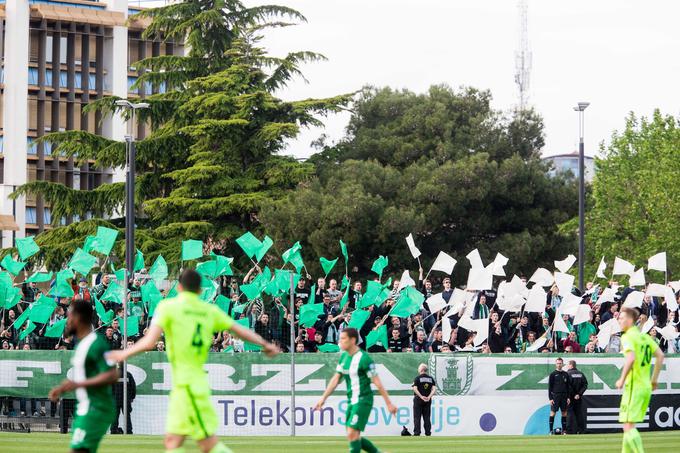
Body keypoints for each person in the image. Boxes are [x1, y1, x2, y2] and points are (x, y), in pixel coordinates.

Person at [107, 269, 279, 453]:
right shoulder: (209, 310)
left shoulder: (167, 307)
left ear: (179, 287)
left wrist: (122, 354)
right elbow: (239, 330)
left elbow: (149, 342)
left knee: (207, 444)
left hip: (189, 386)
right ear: (199, 291)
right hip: (192, 384)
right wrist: (265, 344)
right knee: (175, 442)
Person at [48, 299, 119, 453]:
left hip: (96, 407)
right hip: (86, 407)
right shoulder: (82, 344)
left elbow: (112, 374)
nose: (67, 321)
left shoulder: (95, 343)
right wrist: (64, 387)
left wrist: (78, 384)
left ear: (78, 318)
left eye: (69, 316)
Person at [314, 327, 397, 453]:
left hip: (363, 399)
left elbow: (377, 382)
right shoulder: (344, 357)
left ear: (353, 340)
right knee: (352, 434)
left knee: (352, 432)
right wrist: (323, 398)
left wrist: (389, 403)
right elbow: (336, 379)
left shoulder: (364, 358)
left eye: (343, 339)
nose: (340, 341)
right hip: (351, 400)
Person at [615, 307, 665, 453]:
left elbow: (631, 359)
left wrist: (621, 379)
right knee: (628, 426)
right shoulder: (645, 337)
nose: (619, 320)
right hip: (645, 386)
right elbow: (660, 356)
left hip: (634, 386)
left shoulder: (627, 336)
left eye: (622, 318)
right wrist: (654, 380)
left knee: (628, 426)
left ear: (630, 320)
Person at [548, 357, 571, 434]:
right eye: (557, 363)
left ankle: (564, 431)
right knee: (553, 413)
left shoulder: (566, 374)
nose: (559, 365)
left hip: (564, 396)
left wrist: (568, 397)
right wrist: (550, 398)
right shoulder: (552, 374)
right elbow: (550, 387)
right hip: (555, 396)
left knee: (564, 413)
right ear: (555, 364)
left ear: (562, 364)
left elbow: (568, 387)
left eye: (560, 363)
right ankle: (551, 431)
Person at [412, 363, 436, 436]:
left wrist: (421, 396)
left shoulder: (417, 378)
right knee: (427, 417)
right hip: (427, 400)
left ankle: (417, 433)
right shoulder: (431, 379)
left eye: (419, 368)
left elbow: (415, 389)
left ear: (421, 369)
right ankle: (428, 433)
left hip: (418, 399)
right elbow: (434, 390)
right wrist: (428, 397)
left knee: (417, 417)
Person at [566, 360, 588, 434]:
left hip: (570, 397)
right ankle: (581, 430)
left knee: (569, 414)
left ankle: (569, 431)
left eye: (568, 365)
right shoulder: (581, 374)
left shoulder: (567, 374)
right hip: (578, 398)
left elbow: (568, 386)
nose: (567, 366)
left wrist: (574, 394)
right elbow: (585, 385)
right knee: (579, 414)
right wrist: (579, 394)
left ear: (571, 365)